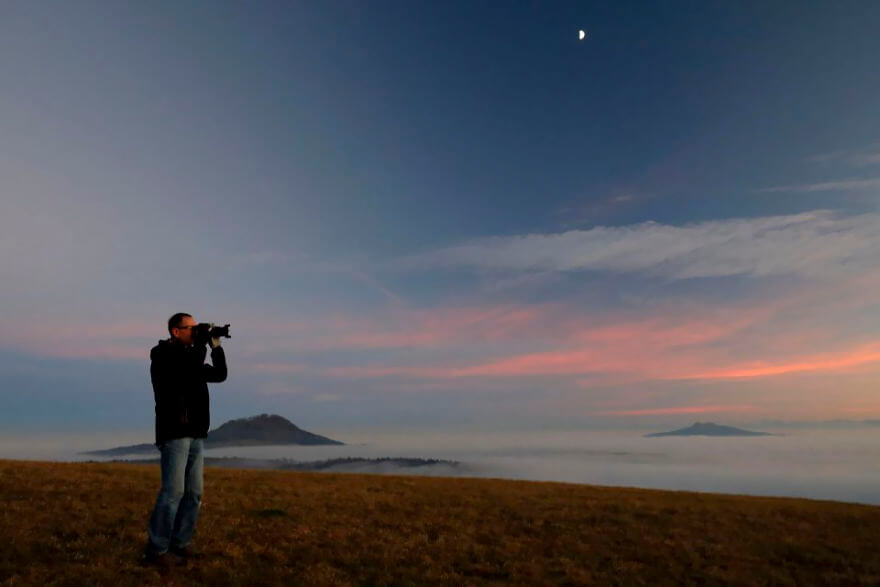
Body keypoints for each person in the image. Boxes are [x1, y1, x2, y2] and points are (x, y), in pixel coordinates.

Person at [142, 313, 227, 568]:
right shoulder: (162, 355)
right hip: (174, 432)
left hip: (196, 433)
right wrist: (201, 343)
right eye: (190, 328)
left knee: (194, 493)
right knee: (173, 492)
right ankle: (156, 550)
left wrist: (216, 347)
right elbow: (186, 367)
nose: (194, 331)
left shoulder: (193, 358)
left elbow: (220, 375)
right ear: (175, 331)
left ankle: (180, 543)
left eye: (195, 328)